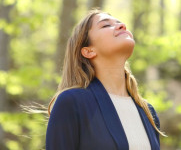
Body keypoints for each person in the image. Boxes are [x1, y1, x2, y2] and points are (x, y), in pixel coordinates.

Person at [46, 9, 165, 150]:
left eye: (120, 23)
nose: (122, 26)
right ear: (88, 51)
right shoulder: (72, 102)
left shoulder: (148, 112)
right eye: (106, 25)